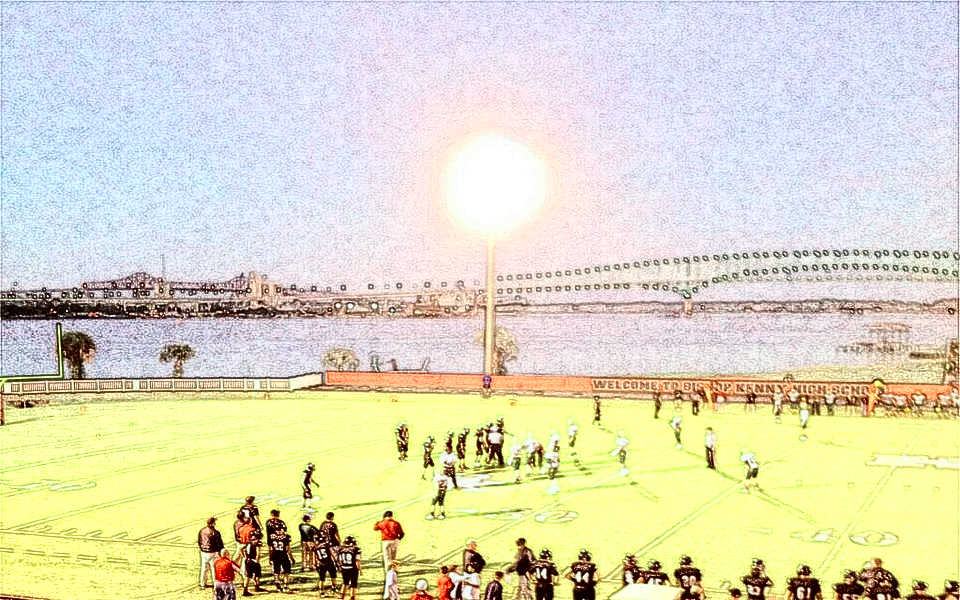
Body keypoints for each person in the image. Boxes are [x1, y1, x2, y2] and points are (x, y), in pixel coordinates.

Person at [199, 517, 225, 589]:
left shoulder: (202, 531)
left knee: (204, 568)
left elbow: (199, 541)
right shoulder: (215, 532)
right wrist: (220, 551)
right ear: (212, 523)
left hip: (204, 551)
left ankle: (202, 583)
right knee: (214, 569)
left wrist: (202, 548)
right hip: (212, 552)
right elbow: (219, 543)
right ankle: (216, 584)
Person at [267, 527, 294, 592]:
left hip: (275, 555)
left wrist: (270, 557)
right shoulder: (286, 537)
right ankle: (285, 586)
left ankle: (278, 584)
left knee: (276, 571)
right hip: (283, 555)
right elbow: (288, 549)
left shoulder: (272, 537)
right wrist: (291, 558)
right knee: (286, 571)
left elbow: (270, 549)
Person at [315, 531, 340, 597]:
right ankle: (334, 588)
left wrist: (315, 565)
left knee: (322, 579)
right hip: (329, 562)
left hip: (321, 564)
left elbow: (315, 558)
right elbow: (332, 553)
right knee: (333, 576)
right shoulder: (327, 545)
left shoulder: (316, 547)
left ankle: (321, 591)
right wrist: (336, 561)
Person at [240, 529, 263, 596]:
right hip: (253, 560)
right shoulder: (257, 543)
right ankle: (256, 586)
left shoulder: (248, 542)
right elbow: (258, 553)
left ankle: (245, 589)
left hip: (247, 560)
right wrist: (257, 561)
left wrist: (244, 556)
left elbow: (241, 549)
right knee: (257, 574)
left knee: (248, 575)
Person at [337, 536, 362, 600]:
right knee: (353, 584)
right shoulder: (356, 549)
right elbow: (357, 561)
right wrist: (360, 569)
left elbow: (338, 560)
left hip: (344, 568)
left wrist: (340, 567)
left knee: (345, 582)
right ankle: (352, 597)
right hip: (352, 568)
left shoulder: (340, 549)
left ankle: (341, 596)